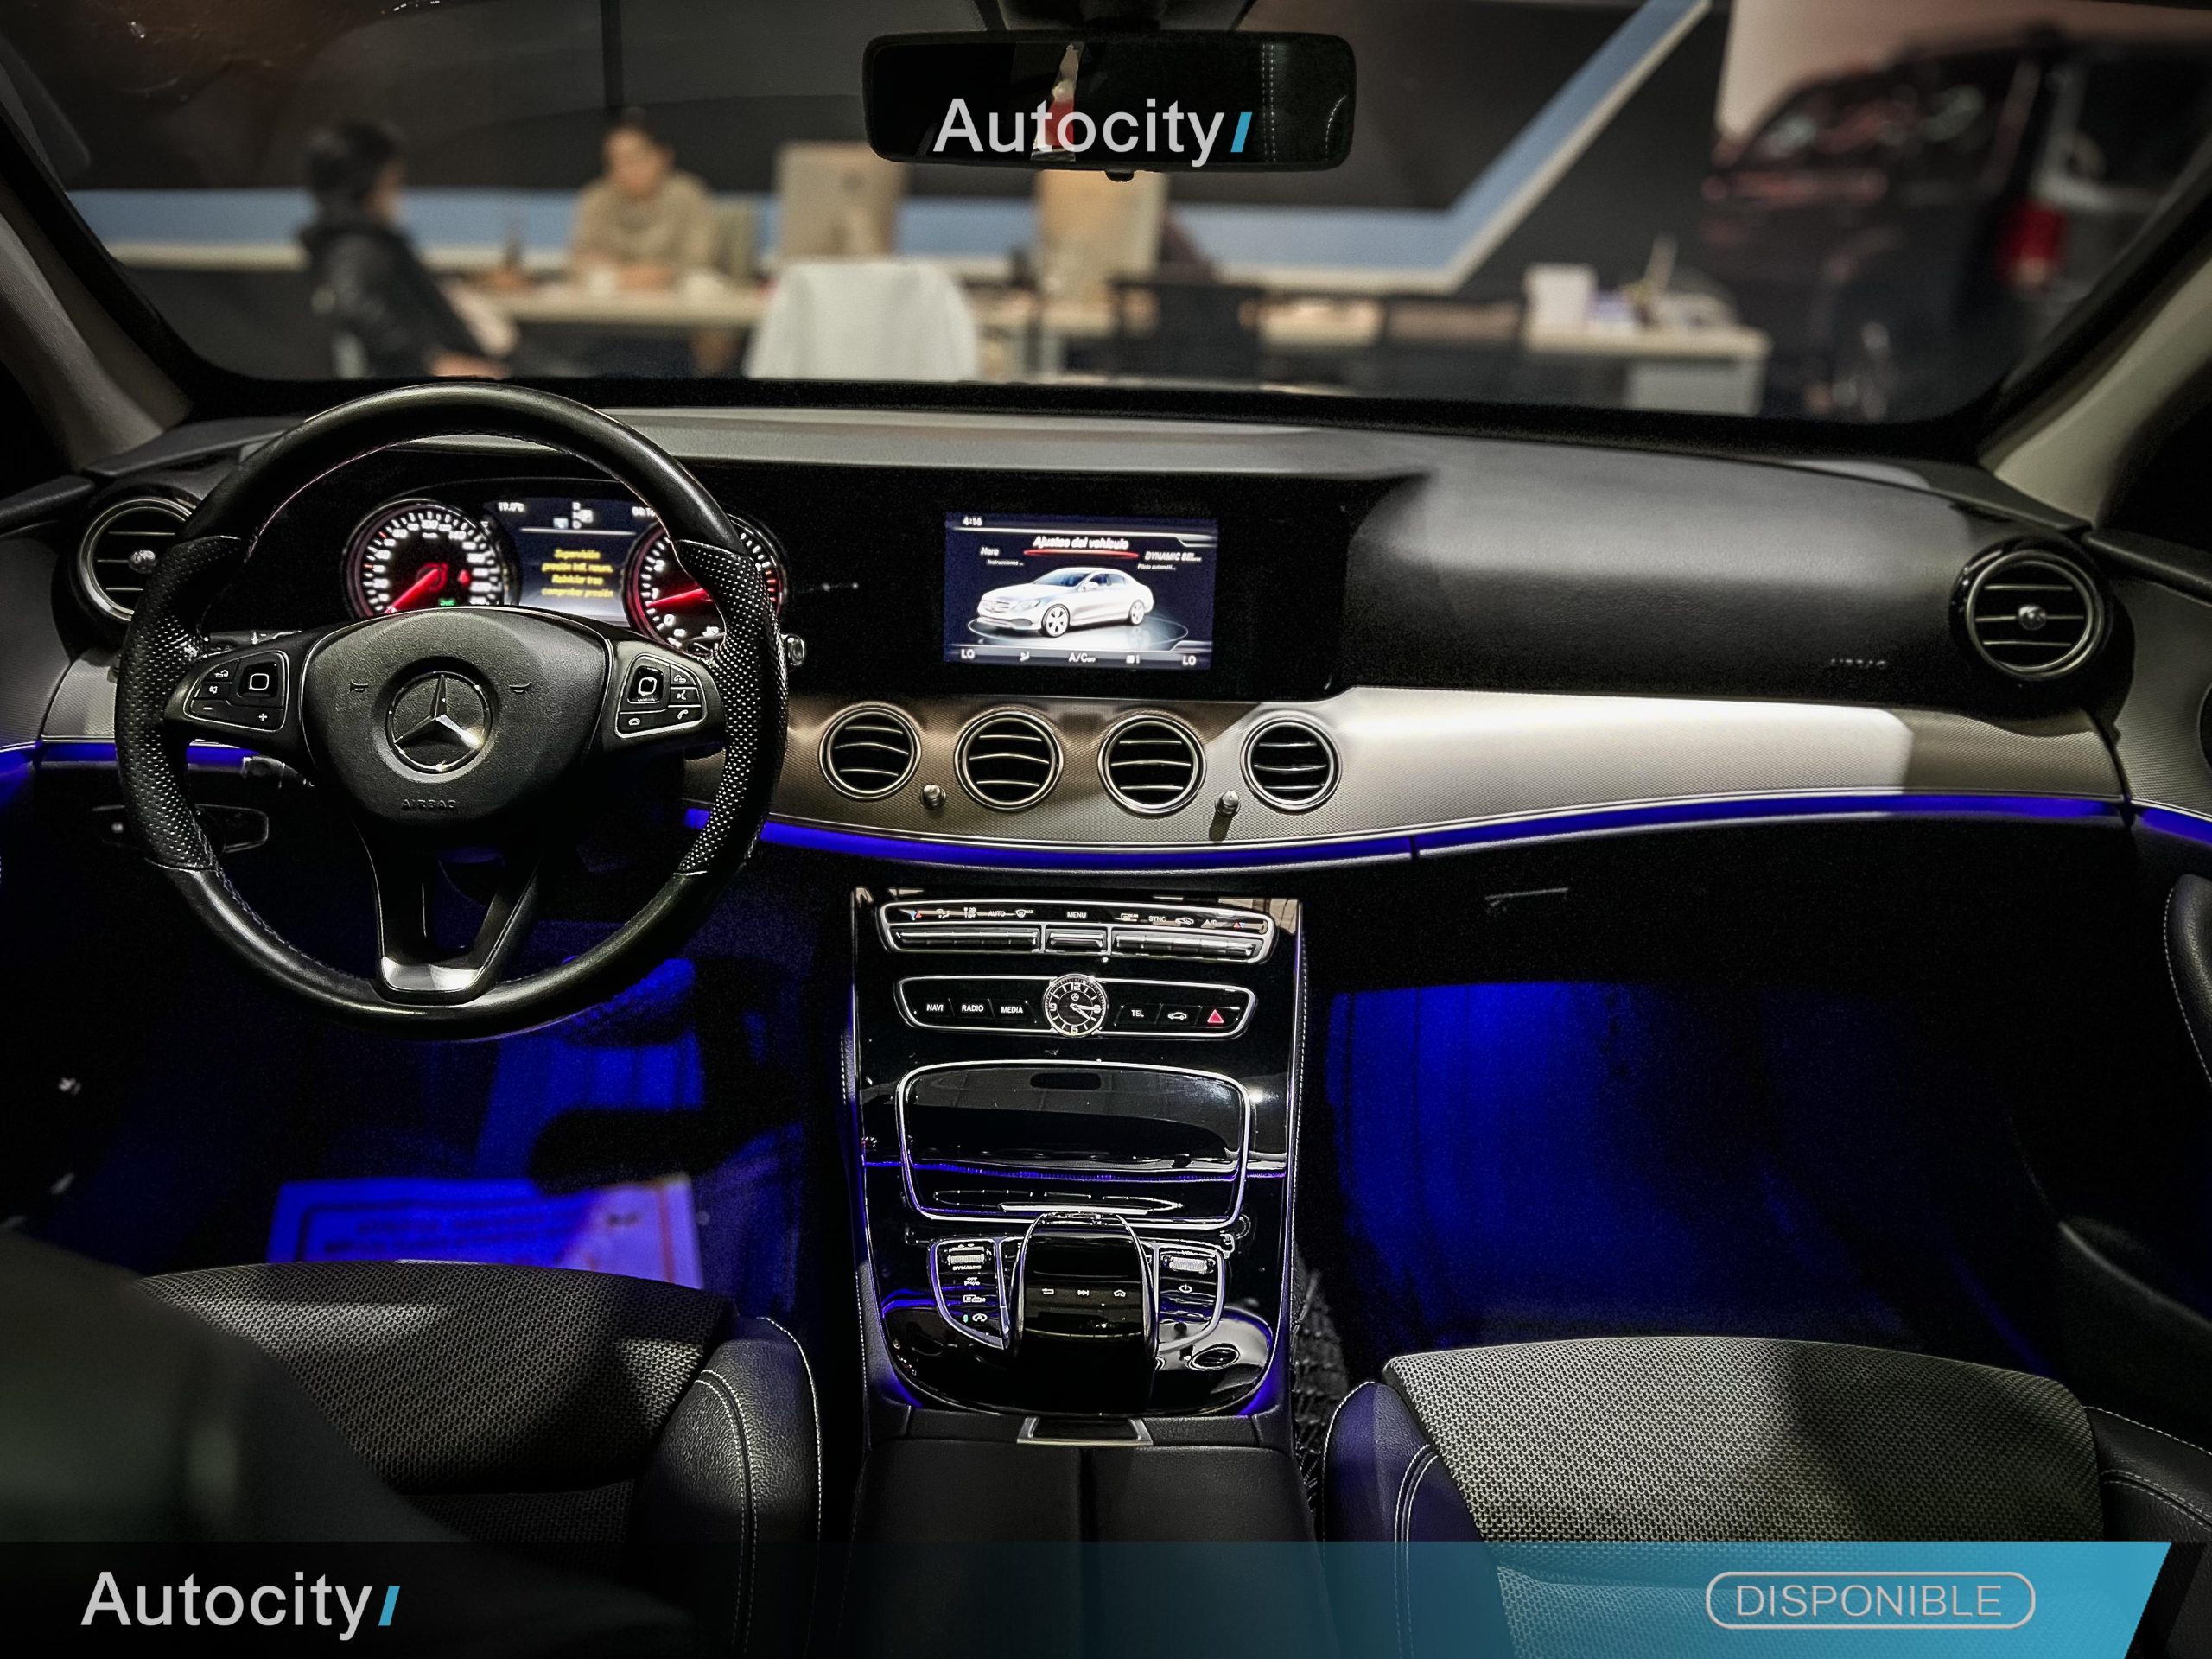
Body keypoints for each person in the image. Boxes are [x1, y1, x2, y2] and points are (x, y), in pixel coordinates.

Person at [299, 121, 505, 378]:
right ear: (368, 184)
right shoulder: (357, 246)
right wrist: (432, 360)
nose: (398, 196)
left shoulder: (364, 241)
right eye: (393, 184)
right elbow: (353, 306)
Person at [571, 111, 718, 291]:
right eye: (615, 161)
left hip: (674, 298)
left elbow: (702, 257)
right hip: (615, 298)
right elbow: (579, 258)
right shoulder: (597, 198)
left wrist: (662, 272)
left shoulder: (688, 194)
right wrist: (622, 273)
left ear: (663, 156)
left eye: (633, 159)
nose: (624, 170)